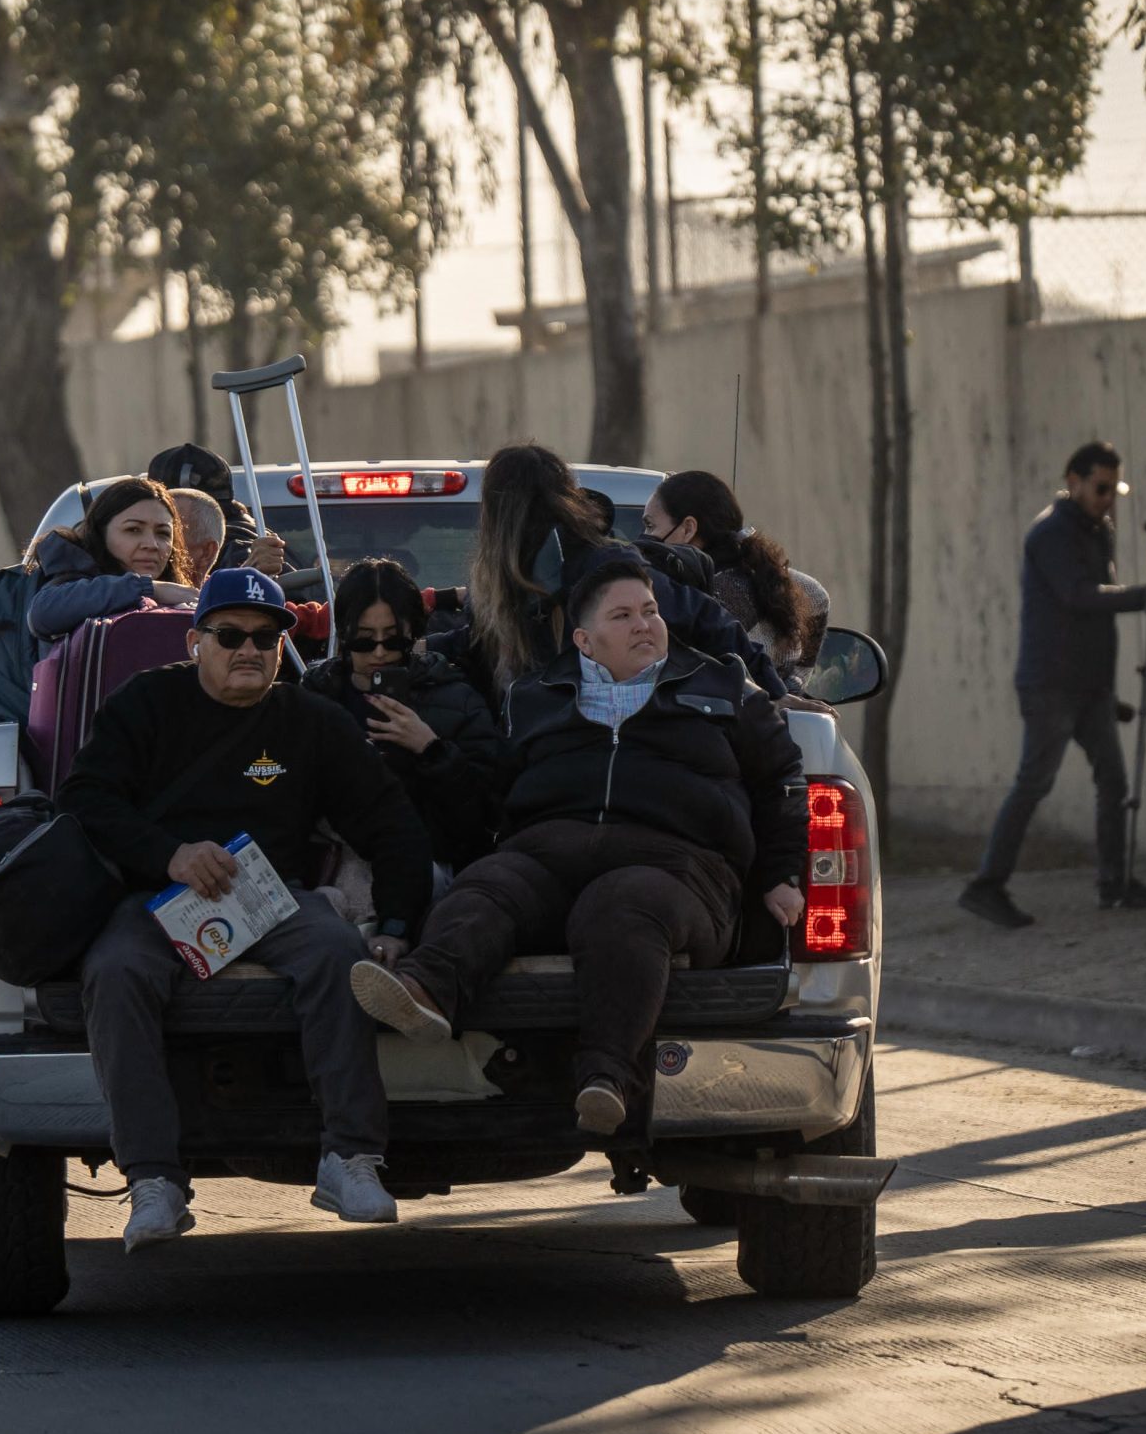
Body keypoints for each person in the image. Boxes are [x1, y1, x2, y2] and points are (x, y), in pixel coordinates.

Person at [352, 559, 807, 1135]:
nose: (644, 625)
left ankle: (607, 1077)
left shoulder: (724, 687)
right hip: (549, 852)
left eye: (650, 612)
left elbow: (782, 782)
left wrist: (781, 873)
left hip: (677, 866)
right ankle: (423, 991)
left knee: (620, 904)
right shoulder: (535, 695)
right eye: (623, 616)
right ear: (585, 641)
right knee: (491, 887)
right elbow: (496, 795)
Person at [61, 565, 432, 1249]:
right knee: (114, 972)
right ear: (196, 640)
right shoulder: (145, 703)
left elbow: (390, 821)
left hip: (273, 898)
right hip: (160, 895)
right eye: (230, 634)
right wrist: (167, 853)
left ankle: (350, 1158)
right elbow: (87, 798)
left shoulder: (309, 721)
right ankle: (154, 1181)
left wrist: (401, 926)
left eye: (266, 638)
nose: (249, 650)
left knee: (337, 955)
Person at [961, 440, 1146, 930]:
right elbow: (1077, 598)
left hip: (1089, 688)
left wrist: (1110, 695)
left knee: (1114, 782)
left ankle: (1114, 883)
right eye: (1101, 488)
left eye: (1114, 489)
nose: (1109, 498)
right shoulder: (1052, 534)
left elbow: (1090, 618)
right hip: (1051, 685)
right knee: (1033, 783)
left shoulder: (1094, 530)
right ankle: (986, 885)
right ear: (1074, 481)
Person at [434, 444, 767, 715]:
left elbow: (701, 618)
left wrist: (769, 690)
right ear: (567, 496)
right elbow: (706, 619)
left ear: (493, 512)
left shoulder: (602, 566)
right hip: (574, 756)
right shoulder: (500, 589)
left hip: (589, 751)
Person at [300, 558, 504, 878]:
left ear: (414, 634)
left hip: (428, 865)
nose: (379, 653)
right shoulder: (314, 698)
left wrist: (431, 750)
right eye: (364, 640)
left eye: (393, 639)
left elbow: (483, 820)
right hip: (328, 866)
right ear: (343, 635)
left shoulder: (457, 699)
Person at [642, 470, 808, 673]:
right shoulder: (758, 575)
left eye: (650, 526)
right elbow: (818, 596)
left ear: (688, 529)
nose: (644, 537)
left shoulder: (713, 593)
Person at [26, 476, 202, 643]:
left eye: (163, 533)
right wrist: (146, 588)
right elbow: (43, 615)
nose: (152, 544)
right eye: (133, 530)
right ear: (101, 534)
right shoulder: (73, 585)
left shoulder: (181, 599)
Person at [147, 442, 287, 576]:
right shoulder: (258, 535)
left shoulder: (235, 550)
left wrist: (247, 571)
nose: (149, 544)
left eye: (163, 531)